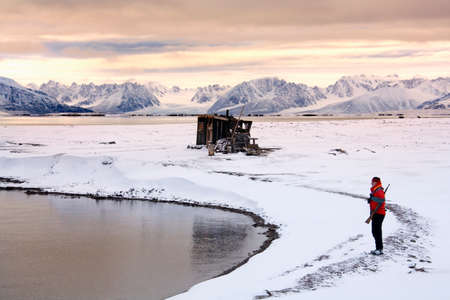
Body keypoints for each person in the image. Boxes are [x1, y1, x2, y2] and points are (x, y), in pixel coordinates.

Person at [365, 176, 386, 255]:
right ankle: (378, 248)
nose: (371, 183)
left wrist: (372, 199)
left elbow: (381, 200)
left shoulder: (379, 190)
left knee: (376, 232)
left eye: (372, 182)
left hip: (378, 213)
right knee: (375, 231)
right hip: (376, 213)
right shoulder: (376, 190)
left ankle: (379, 249)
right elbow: (378, 200)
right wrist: (371, 199)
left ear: (376, 182)